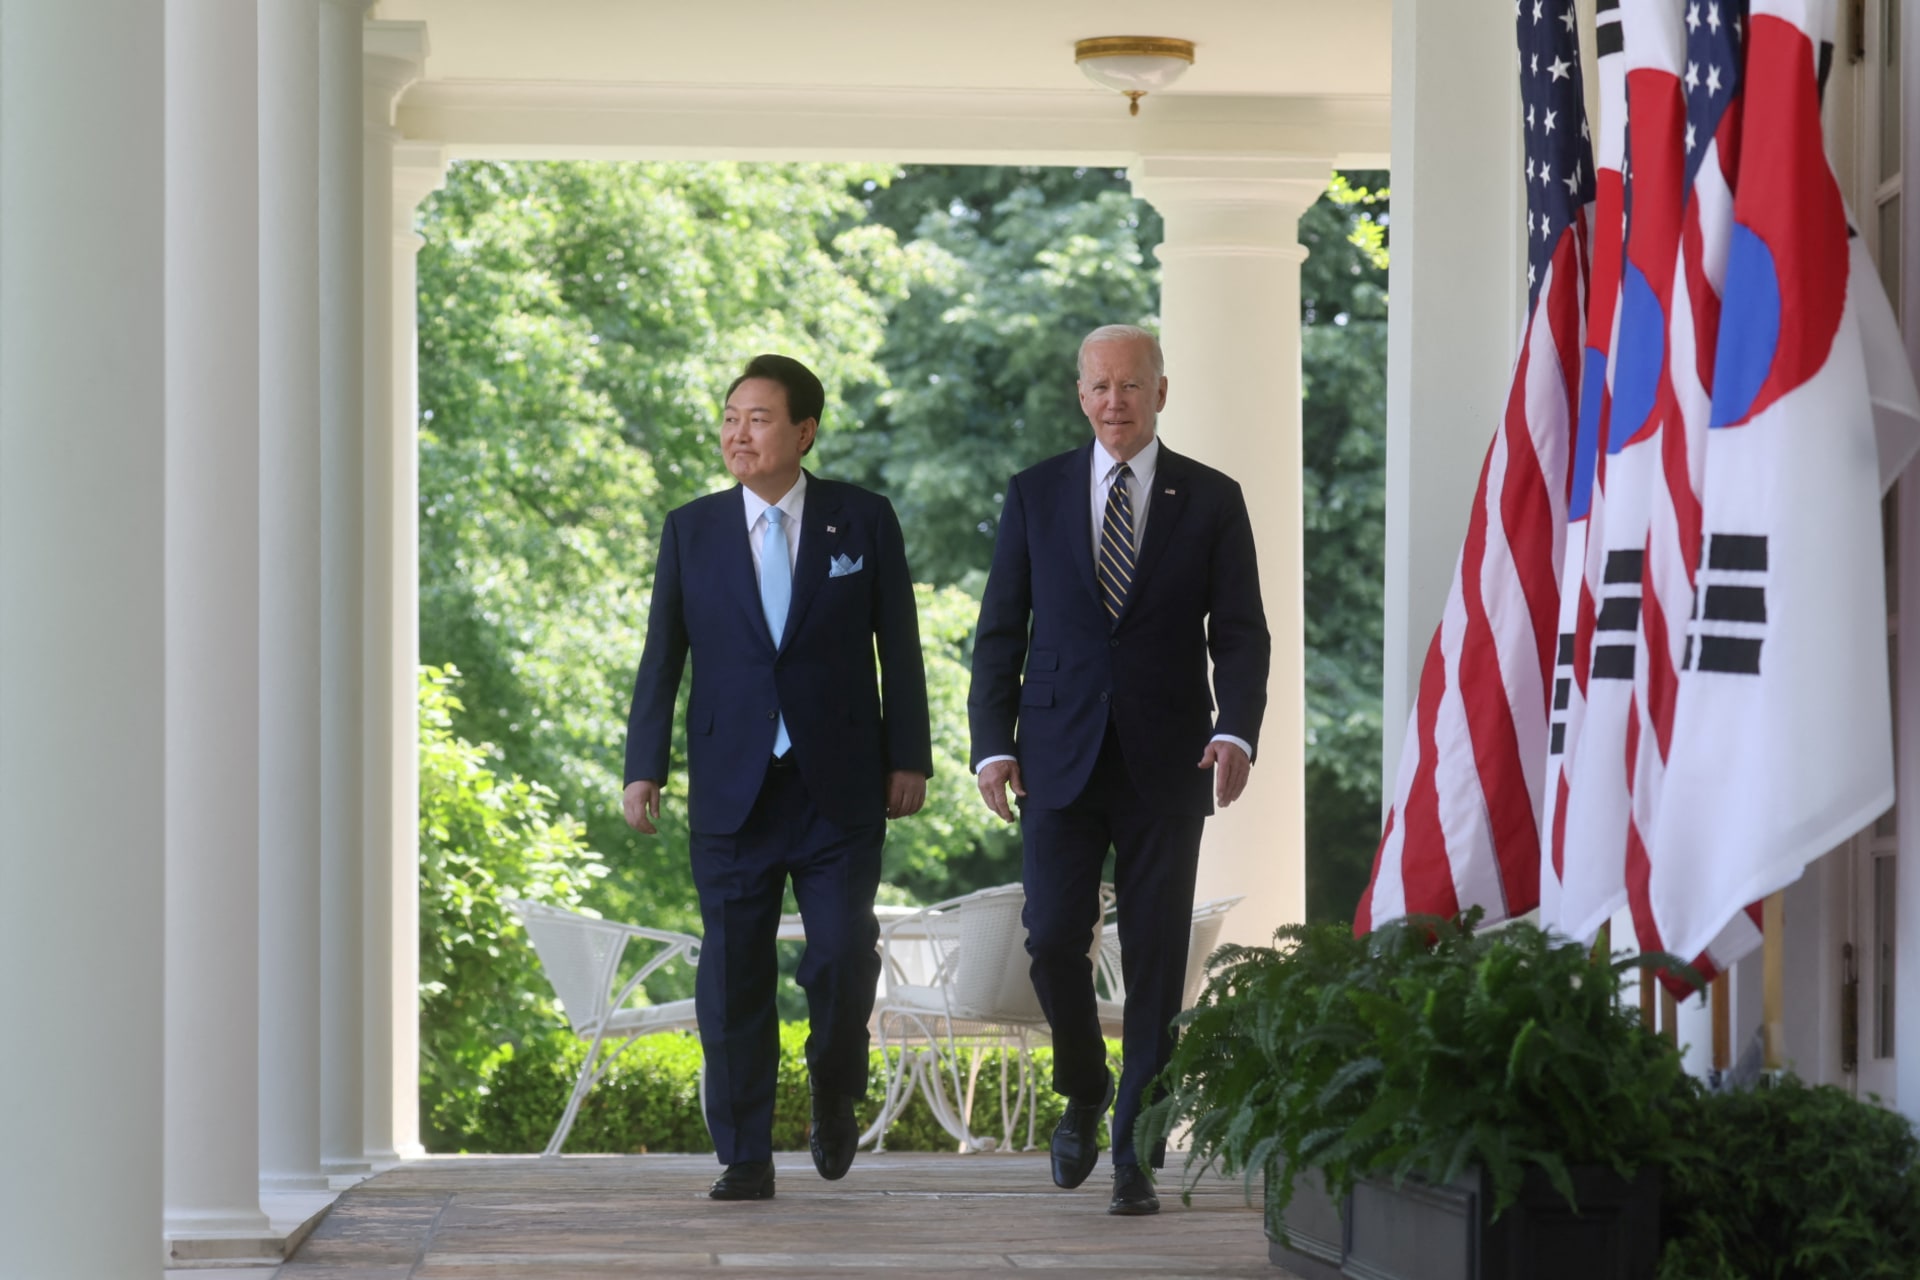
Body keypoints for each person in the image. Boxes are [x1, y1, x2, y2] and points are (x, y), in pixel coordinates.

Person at [967, 324, 1270, 1216]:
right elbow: (999, 632)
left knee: (1155, 956)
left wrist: (1238, 732)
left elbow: (1242, 634)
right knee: (1053, 937)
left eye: (1130, 387)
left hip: (1166, 758)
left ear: (1161, 393)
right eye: (1098, 387)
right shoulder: (1036, 494)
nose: (1113, 402)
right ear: (1080, 394)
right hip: (1055, 756)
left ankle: (1134, 1144)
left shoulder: (1211, 499)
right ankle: (1085, 1084)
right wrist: (992, 741)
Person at [623, 353, 932, 1201]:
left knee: (839, 955)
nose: (737, 433)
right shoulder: (690, 530)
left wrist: (911, 756)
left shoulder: (861, 521)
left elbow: (898, 647)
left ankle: (835, 1086)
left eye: (757, 418)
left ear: (803, 431)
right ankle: (745, 1154)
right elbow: (663, 658)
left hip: (840, 784)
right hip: (731, 787)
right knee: (732, 974)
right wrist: (642, 766)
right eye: (729, 417)